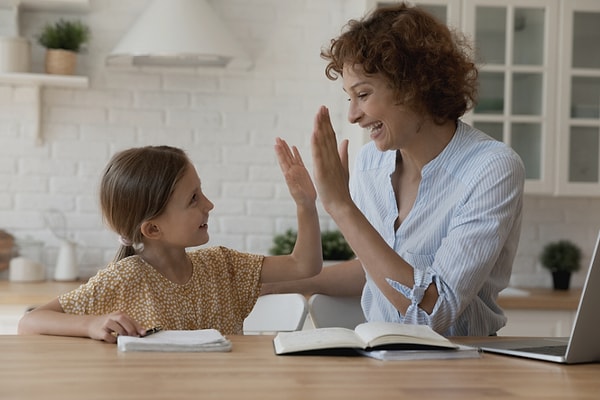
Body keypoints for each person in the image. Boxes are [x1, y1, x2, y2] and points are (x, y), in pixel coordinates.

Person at [262, 3, 525, 336]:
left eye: (363, 94)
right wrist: (277, 285)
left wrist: (341, 206)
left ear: (414, 86)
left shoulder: (492, 168)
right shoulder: (371, 163)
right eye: (349, 98)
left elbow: (432, 313)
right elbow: (376, 271)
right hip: (380, 364)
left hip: (462, 369)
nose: (353, 115)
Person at [18, 142, 322, 342]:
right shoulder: (125, 278)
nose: (209, 204)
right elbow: (30, 322)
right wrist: (89, 325)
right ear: (153, 229)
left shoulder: (223, 265)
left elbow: (304, 265)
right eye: (193, 199)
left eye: (201, 191)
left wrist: (305, 204)